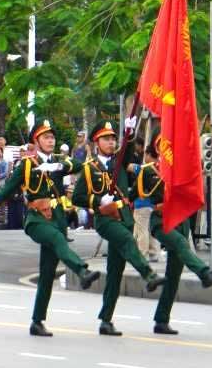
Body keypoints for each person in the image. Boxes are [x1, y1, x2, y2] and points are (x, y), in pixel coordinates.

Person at [0, 119, 101, 336]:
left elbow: (80, 165)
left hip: (57, 220)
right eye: (46, 137)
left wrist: (58, 166)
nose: (51, 141)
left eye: (52, 137)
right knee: (57, 240)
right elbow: (8, 189)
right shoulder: (27, 165)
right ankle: (82, 271)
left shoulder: (59, 161)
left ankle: (37, 321)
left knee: (47, 274)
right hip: (36, 220)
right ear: (36, 141)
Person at [69, 119, 166, 336]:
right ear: (96, 142)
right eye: (106, 139)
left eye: (113, 138)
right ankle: (148, 275)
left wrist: (129, 133)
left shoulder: (120, 161)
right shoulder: (89, 168)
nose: (111, 142)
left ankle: (106, 320)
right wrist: (98, 201)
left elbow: (128, 149)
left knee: (115, 273)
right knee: (127, 240)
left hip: (124, 218)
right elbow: (77, 197)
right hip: (106, 219)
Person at [130, 138, 212, 334]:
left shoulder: (182, 169)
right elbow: (131, 195)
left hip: (181, 222)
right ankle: (204, 273)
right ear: (157, 148)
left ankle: (161, 320)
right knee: (181, 243)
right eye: (162, 144)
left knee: (173, 276)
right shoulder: (148, 171)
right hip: (161, 221)